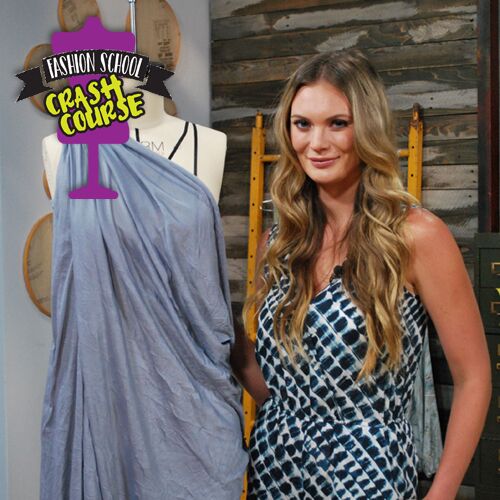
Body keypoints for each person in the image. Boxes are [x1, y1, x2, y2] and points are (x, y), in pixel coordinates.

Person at [230, 50, 491, 499]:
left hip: (368, 478)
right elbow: (277, 390)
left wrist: (441, 493)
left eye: (337, 123)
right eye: (302, 124)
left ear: (366, 127)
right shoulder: (278, 242)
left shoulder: (416, 236)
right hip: (275, 473)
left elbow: (475, 378)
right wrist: (218, 330)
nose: (316, 143)